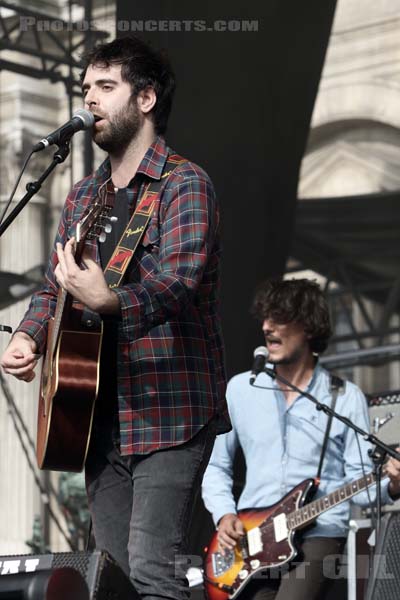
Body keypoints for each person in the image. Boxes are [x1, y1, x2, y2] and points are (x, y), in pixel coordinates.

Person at [0, 36, 229, 600]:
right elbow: (55, 288)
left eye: (106, 87)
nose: (90, 101)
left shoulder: (184, 184)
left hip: (170, 413)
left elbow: (177, 283)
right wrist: (30, 336)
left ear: (145, 99)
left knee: (154, 573)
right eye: (86, 89)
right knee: (114, 581)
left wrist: (110, 301)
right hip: (97, 416)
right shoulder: (82, 197)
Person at [202, 278, 400, 600]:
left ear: (308, 326)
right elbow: (216, 465)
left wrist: (391, 484)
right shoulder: (240, 390)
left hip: (319, 536)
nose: (267, 327)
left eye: (279, 318)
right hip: (251, 537)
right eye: (265, 317)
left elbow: (361, 484)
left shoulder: (344, 398)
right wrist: (225, 514)